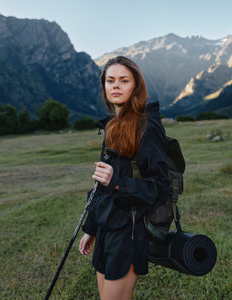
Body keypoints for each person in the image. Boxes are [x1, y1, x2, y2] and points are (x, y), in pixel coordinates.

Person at [79, 56, 169, 300]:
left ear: (135, 86)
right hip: (106, 227)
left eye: (123, 80)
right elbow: (101, 187)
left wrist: (117, 181)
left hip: (129, 231)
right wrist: (91, 227)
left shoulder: (147, 126)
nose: (115, 86)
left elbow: (160, 187)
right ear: (104, 87)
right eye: (110, 81)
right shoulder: (112, 126)